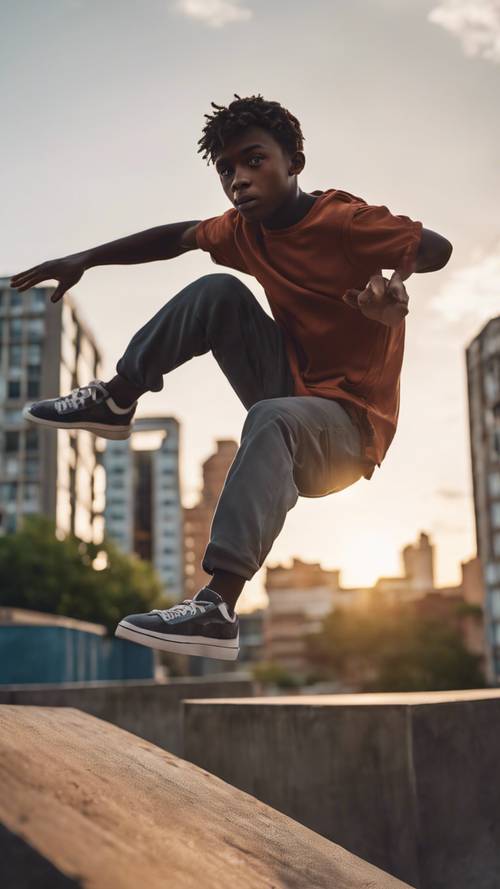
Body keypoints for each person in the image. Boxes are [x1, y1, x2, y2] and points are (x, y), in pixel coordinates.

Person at [9, 93, 452, 662]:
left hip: (347, 432)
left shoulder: (344, 222)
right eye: (226, 170)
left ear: (293, 163)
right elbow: (174, 238)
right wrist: (85, 259)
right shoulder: (243, 232)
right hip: (289, 384)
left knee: (272, 418)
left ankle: (217, 606)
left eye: (254, 160)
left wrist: (392, 285)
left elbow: (436, 247)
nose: (238, 180)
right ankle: (118, 400)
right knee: (216, 292)